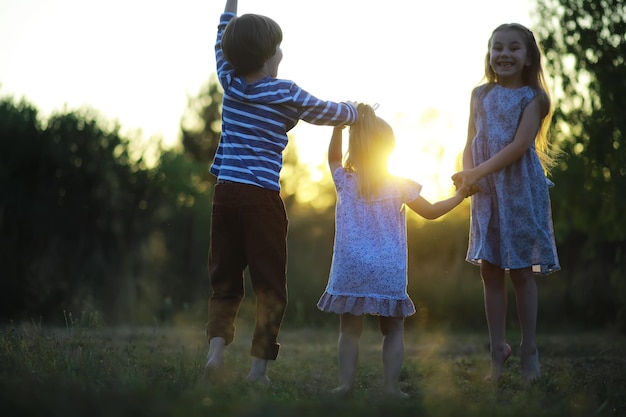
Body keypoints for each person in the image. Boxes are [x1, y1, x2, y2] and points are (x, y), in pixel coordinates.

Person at [204, 0, 358, 386]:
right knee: (270, 285)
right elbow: (328, 111)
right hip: (260, 201)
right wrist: (357, 111)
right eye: (279, 46)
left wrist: (230, 5)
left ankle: (216, 352)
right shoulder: (285, 91)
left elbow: (220, 40)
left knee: (225, 282)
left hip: (225, 197)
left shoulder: (229, 80)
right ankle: (258, 370)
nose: (282, 51)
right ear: (270, 54)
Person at [317, 103, 471, 398]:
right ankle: (390, 387)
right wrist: (460, 195)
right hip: (388, 269)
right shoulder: (399, 185)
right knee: (393, 331)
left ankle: (346, 385)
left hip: (351, 268)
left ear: (356, 147)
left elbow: (334, 157)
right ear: (388, 149)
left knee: (349, 332)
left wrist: (338, 124)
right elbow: (432, 212)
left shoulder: (345, 182)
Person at [451, 23, 561, 385]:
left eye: (514, 48)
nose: (504, 54)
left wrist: (476, 172)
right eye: (497, 47)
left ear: (529, 57)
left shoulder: (534, 97)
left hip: (517, 189)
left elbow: (518, 147)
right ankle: (498, 350)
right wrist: (469, 175)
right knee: (489, 269)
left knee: (520, 272)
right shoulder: (479, 94)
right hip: (485, 191)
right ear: (489, 54)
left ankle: (529, 348)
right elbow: (470, 139)